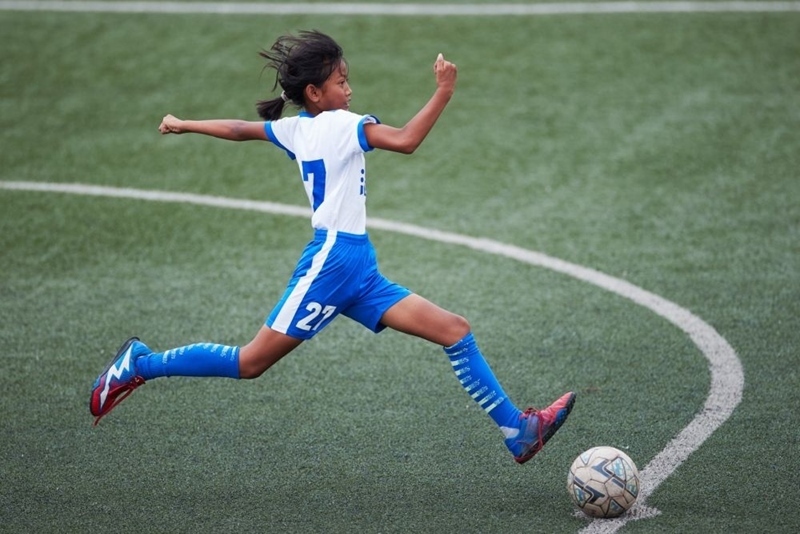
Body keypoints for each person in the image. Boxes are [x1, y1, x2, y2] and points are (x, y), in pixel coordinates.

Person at [89, 30, 575, 464]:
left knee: (454, 330)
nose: (350, 89)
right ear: (314, 93)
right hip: (333, 263)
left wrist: (185, 123)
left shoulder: (297, 129)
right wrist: (444, 90)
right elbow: (406, 140)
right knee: (250, 361)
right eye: (342, 82)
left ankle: (517, 431)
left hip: (358, 267)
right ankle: (140, 364)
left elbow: (239, 129)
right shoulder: (342, 124)